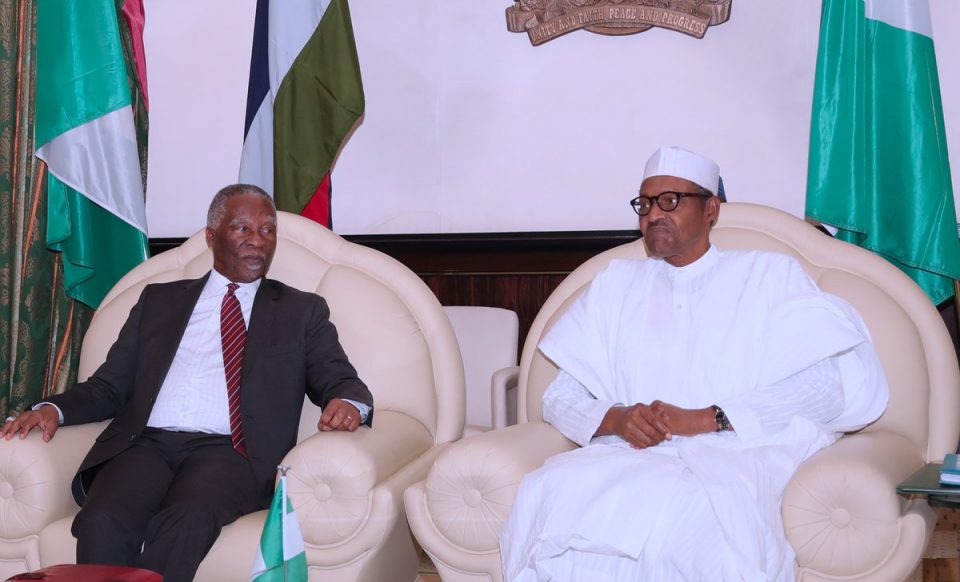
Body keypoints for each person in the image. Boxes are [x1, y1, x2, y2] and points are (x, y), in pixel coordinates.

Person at [499, 146, 888, 581]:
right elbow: (559, 397)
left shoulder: (770, 276)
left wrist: (706, 418)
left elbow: (823, 390)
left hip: (730, 456)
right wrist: (617, 419)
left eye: (670, 201)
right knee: (547, 494)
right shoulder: (614, 285)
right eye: (645, 204)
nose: (653, 215)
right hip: (627, 457)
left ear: (711, 209)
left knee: (693, 526)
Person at [1, 184, 373, 582]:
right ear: (212, 236)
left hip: (232, 452)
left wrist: (348, 403)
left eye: (267, 230)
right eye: (243, 229)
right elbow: (109, 386)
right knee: (102, 517)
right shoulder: (158, 301)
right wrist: (52, 409)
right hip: (145, 445)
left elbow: (339, 379)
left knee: (186, 519)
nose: (257, 241)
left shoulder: (301, 311)